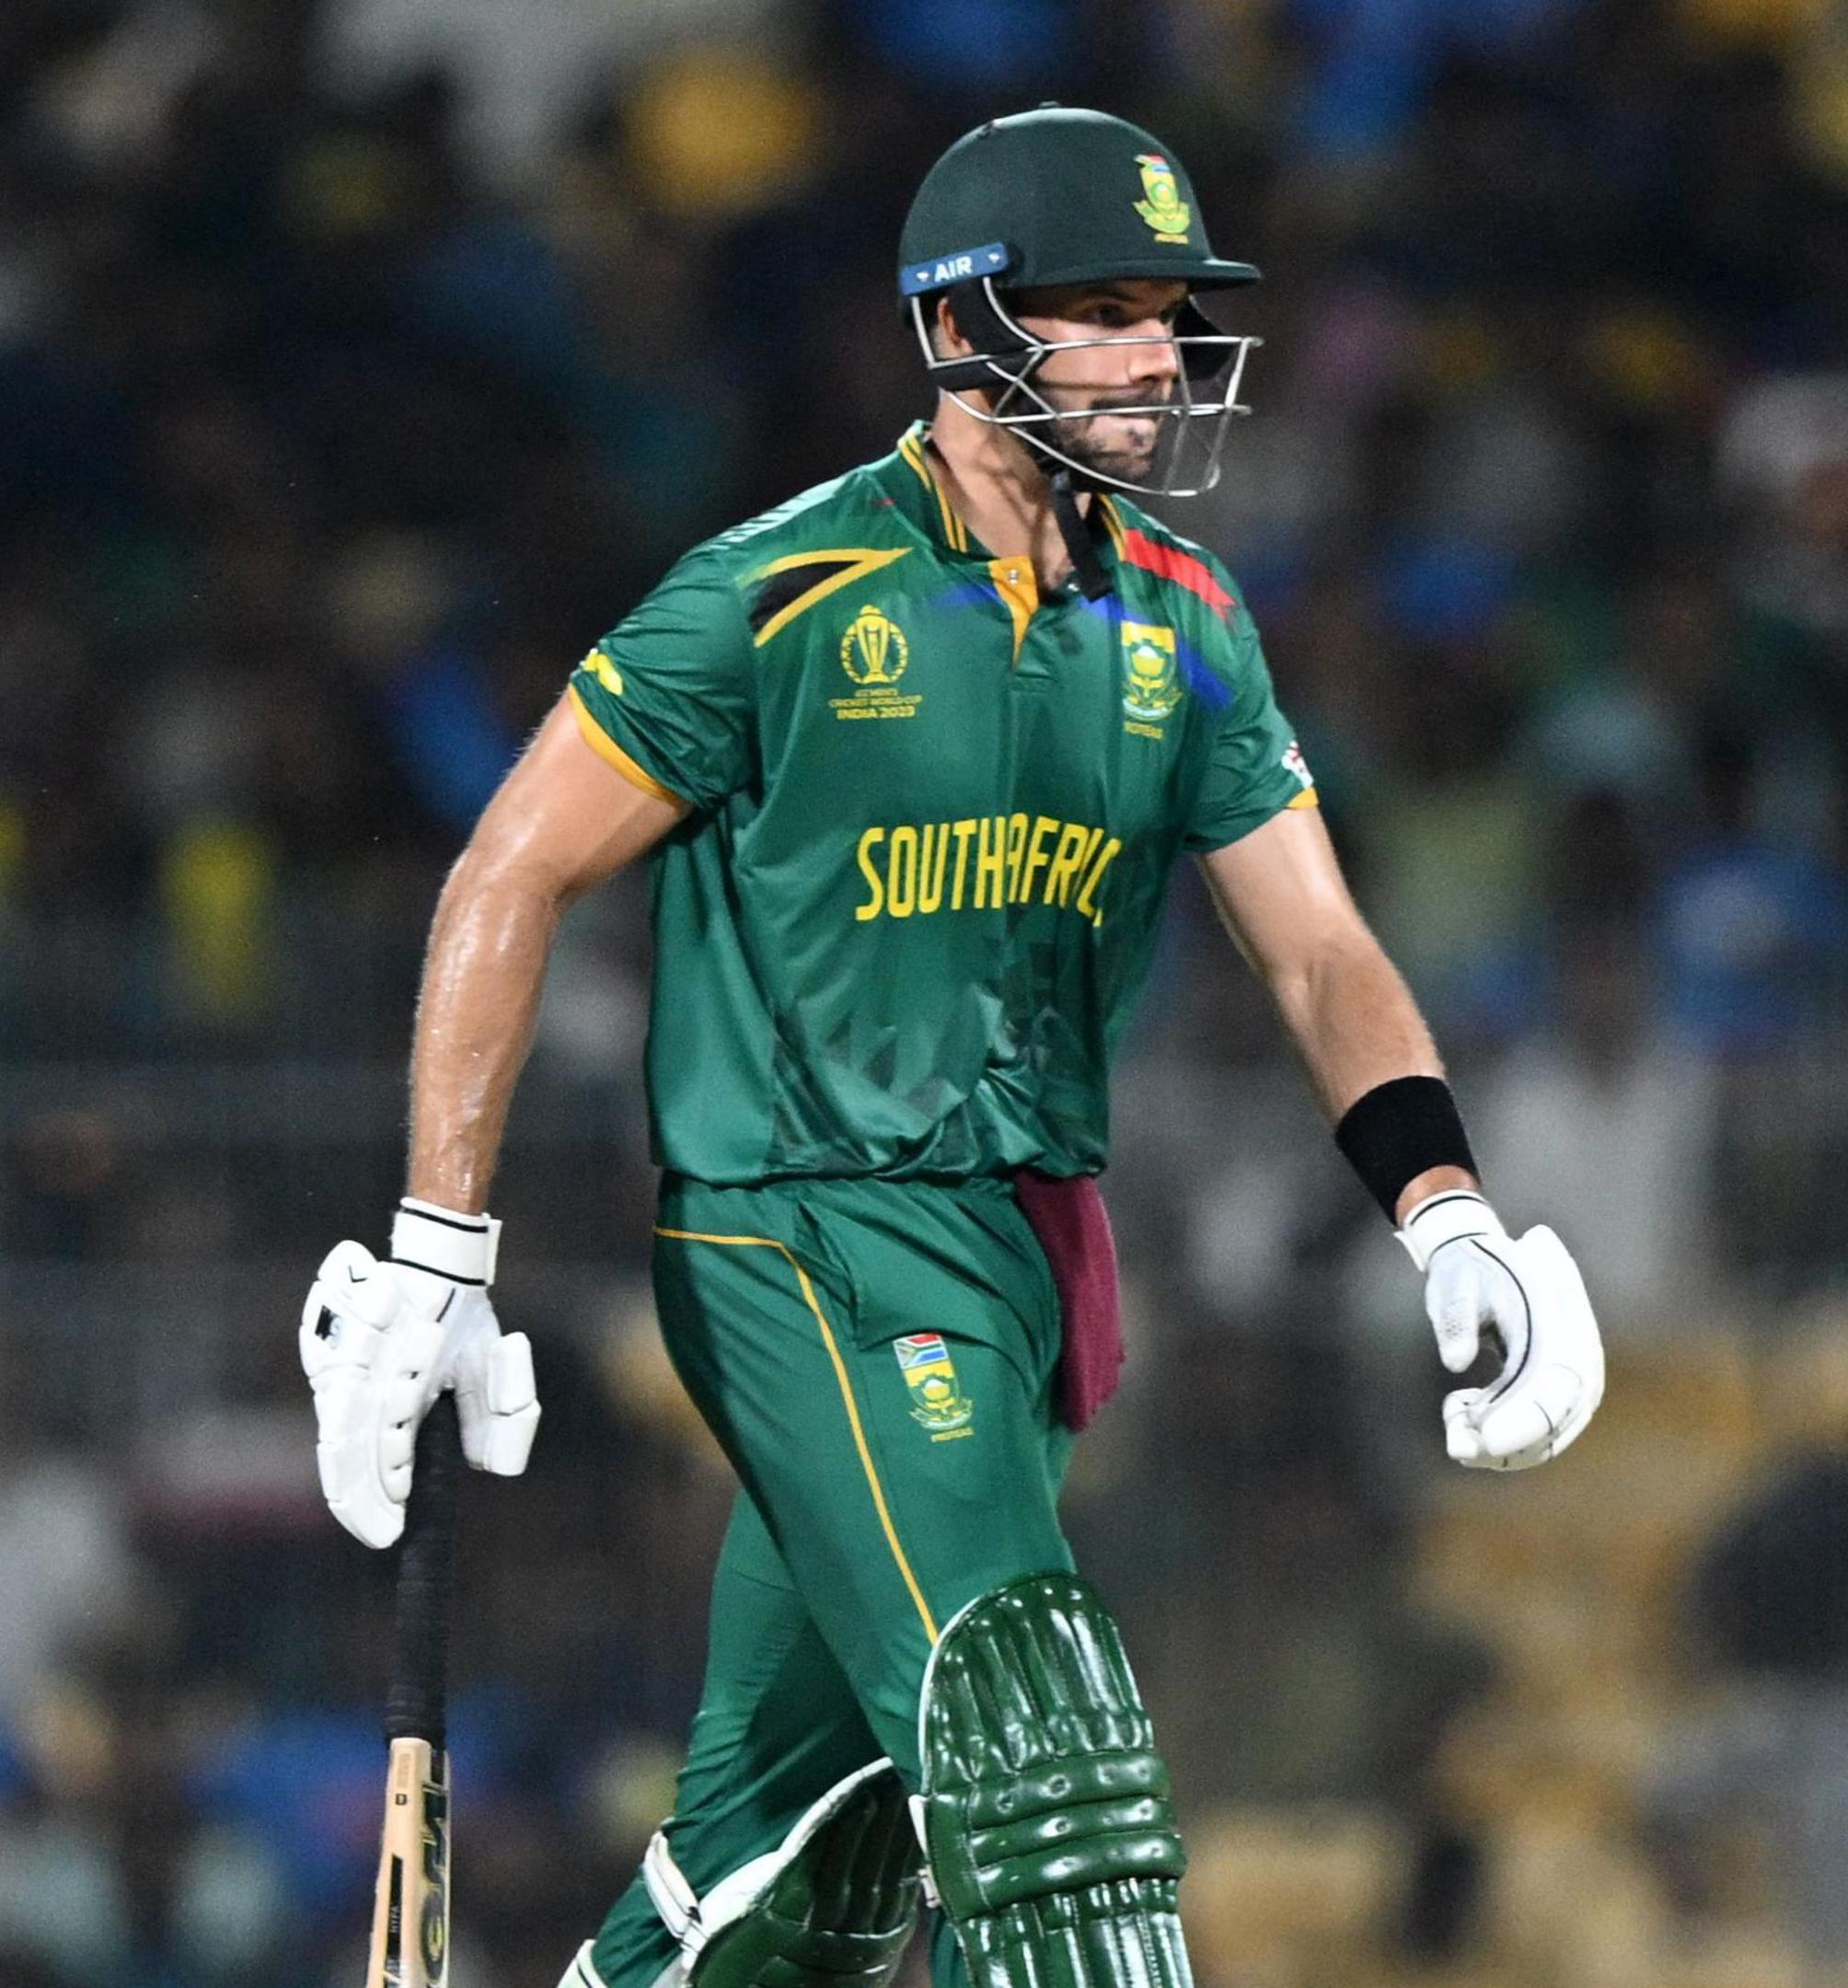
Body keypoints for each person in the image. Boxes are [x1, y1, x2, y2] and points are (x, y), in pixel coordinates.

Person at [295, 108, 1607, 1986]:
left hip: (1023, 1267)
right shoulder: (775, 595)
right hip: (797, 1235)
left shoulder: (1185, 621)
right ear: (963, 328)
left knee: (793, 1876)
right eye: (1103, 311)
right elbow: (507, 873)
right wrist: (441, 1249)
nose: (1158, 357)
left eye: (1171, 312)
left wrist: (1447, 1212)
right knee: (1040, 1749)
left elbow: (1318, 952)